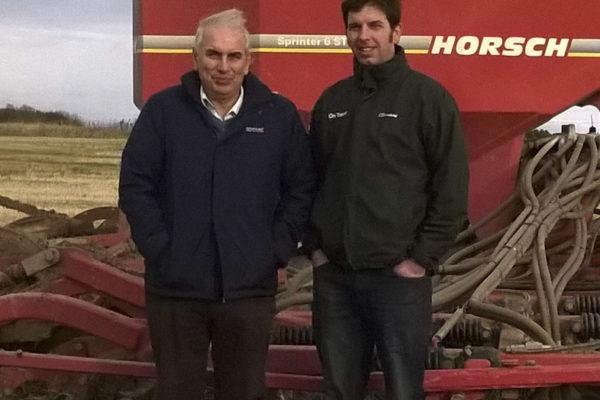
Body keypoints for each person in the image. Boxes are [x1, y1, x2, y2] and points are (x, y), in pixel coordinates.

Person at [119, 9, 315, 400]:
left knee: (244, 391)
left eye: (233, 56)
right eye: (213, 55)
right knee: (177, 392)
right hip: (175, 292)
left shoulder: (278, 117)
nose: (223, 66)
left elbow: (301, 189)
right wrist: (162, 250)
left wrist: (273, 250)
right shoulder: (163, 112)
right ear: (195, 58)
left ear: (248, 60)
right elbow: (135, 185)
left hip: (247, 293)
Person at [304, 0, 469, 398]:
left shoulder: (428, 100)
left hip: (398, 283)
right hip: (337, 281)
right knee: (340, 390)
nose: (364, 36)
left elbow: (451, 190)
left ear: (396, 32)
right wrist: (316, 250)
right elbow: (309, 182)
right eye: (354, 26)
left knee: (402, 391)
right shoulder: (332, 102)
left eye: (375, 25)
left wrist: (419, 261)